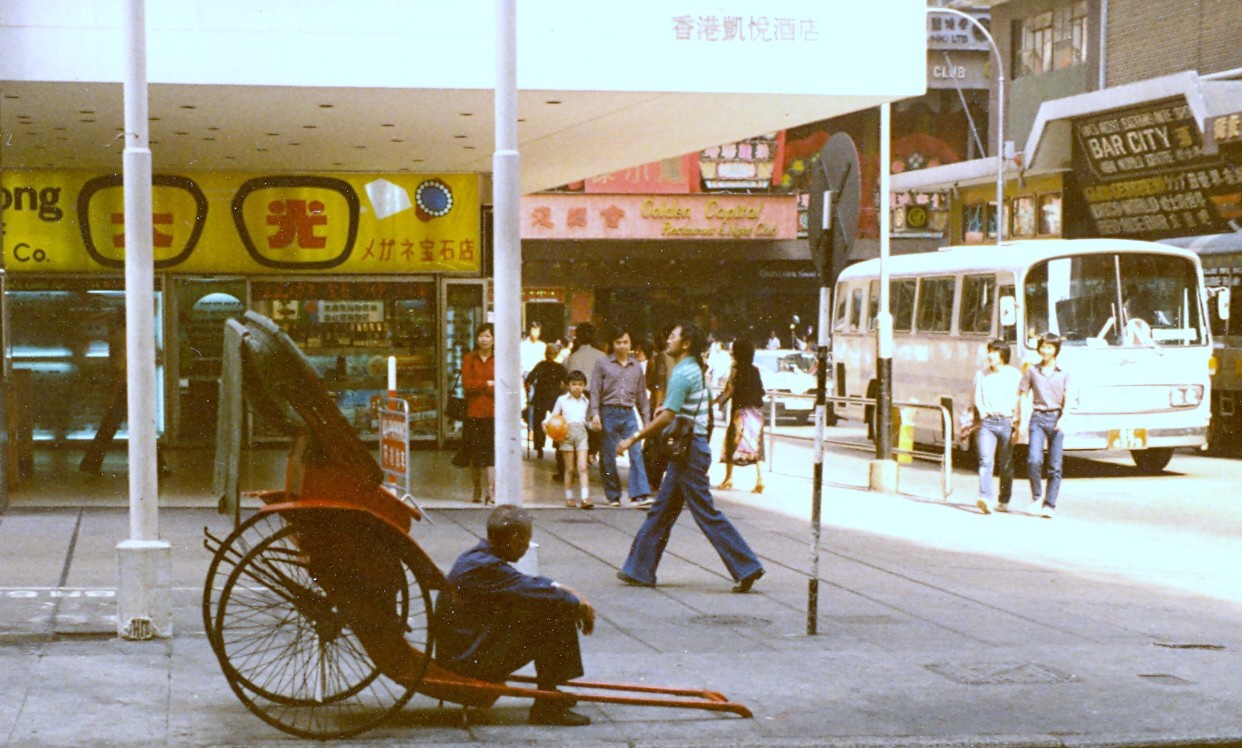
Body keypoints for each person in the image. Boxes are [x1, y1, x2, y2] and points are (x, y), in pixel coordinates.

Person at [613, 322, 765, 592]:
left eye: (673, 336)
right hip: (691, 449)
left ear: (685, 344)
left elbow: (668, 417)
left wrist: (632, 438)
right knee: (661, 511)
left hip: (689, 452)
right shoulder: (694, 370)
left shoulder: (683, 373)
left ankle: (746, 566)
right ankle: (639, 569)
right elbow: (684, 411)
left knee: (704, 513)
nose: (668, 340)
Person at [436, 505, 595, 726]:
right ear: (514, 539)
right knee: (554, 610)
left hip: (466, 649)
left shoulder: (478, 558)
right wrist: (577, 604)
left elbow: (525, 584)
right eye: (526, 542)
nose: (526, 547)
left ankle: (549, 693)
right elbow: (528, 588)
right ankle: (546, 707)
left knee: (548, 601)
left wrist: (570, 595)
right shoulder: (484, 566)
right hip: (467, 660)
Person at [589, 326, 652, 509]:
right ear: (612, 344)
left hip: (628, 413)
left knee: (636, 452)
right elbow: (595, 390)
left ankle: (640, 495)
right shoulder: (602, 363)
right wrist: (595, 413)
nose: (622, 346)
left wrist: (646, 421)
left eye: (625, 342)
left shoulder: (637, 366)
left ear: (630, 343)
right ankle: (613, 495)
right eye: (618, 342)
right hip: (608, 412)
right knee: (608, 455)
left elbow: (641, 395)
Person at [1019, 331, 1071, 519]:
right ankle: (1037, 497)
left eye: (1049, 347)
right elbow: (1023, 394)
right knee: (1034, 459)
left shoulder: (1064, 372)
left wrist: (1064, 418)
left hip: (1056, 418)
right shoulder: (1032, 371)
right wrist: (1023, 419)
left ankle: (1049, 504)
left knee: (1055, 465)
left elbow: (1069, 397)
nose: (1045, 350)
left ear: (1056, 350)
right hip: (1038, 418)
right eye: (1043, 347)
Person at [968, 339, 1022, 515]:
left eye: (994, 352)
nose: (990, 356)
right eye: (989, 352)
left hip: (1007, 421)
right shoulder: (981, 375)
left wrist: (1017, 422)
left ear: (1003, 355)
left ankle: (1004, 499)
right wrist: (982, 413)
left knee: (1006, 463)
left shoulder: (1014, 375)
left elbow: (1019, 399)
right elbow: (974, 398)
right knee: (985, 460)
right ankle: (985, 498)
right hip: (987, 423)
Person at [712, 339, 765, 494]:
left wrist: (714, 402)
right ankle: (760, 479)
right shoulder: (755, 370)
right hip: (756, 413)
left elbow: (729, 391)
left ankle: (728, 478)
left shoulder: (735, 370)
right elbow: (761, 391)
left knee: (732, 443)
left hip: (740, 413)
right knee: (757, 445)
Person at [455, 323, 496, 504]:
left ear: (494, 339)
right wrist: (487, 383)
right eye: (481, 336)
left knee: (491, 454)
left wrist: (480, 385)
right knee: (475, 454)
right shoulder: (469, 358)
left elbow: (502, 384)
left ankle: (491, 491)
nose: (484, 339)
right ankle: (477, 488)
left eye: (487, 336)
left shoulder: (499, 359)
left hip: (493, 413)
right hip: (473, 412)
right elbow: (467, 384)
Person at [548, 370, 593, 509]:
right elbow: (554, 417)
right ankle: (569, 497)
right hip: (566, 434)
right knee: (569, 468)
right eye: (574, 384)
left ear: (584, 385)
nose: (577, 387)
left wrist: (594, 426)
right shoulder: (562, 400)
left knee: (583, 467)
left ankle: (585, 498)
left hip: (582, 434)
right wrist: (553, 430)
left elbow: (588, 421)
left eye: (580, 384)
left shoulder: (586, 401)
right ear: (568, 385)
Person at [566, 323, 607, 463]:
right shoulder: (602, 356)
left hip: (576, 397)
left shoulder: (573, 357)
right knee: (594, 428)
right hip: (596, 398)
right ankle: (592, 453)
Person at [643, 324, 677, 492]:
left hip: (661, 406)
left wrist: (656, 407)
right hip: (674, 406)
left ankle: (653, 478)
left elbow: (658, 384)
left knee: (655, 443)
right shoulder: (680, 358)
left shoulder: (660, 358)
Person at [526, 344, 567, 461]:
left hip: (553, 398)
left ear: (556, 354)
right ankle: (540, 447)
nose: (549, 356)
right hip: (543, 397)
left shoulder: (559, 367)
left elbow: (566, 381)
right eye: (547, 353)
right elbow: (529, 379)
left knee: (556, 422)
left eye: (551, 353)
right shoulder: (542, 365)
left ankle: (556, 445)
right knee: (539, 422)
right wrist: (528, 387)